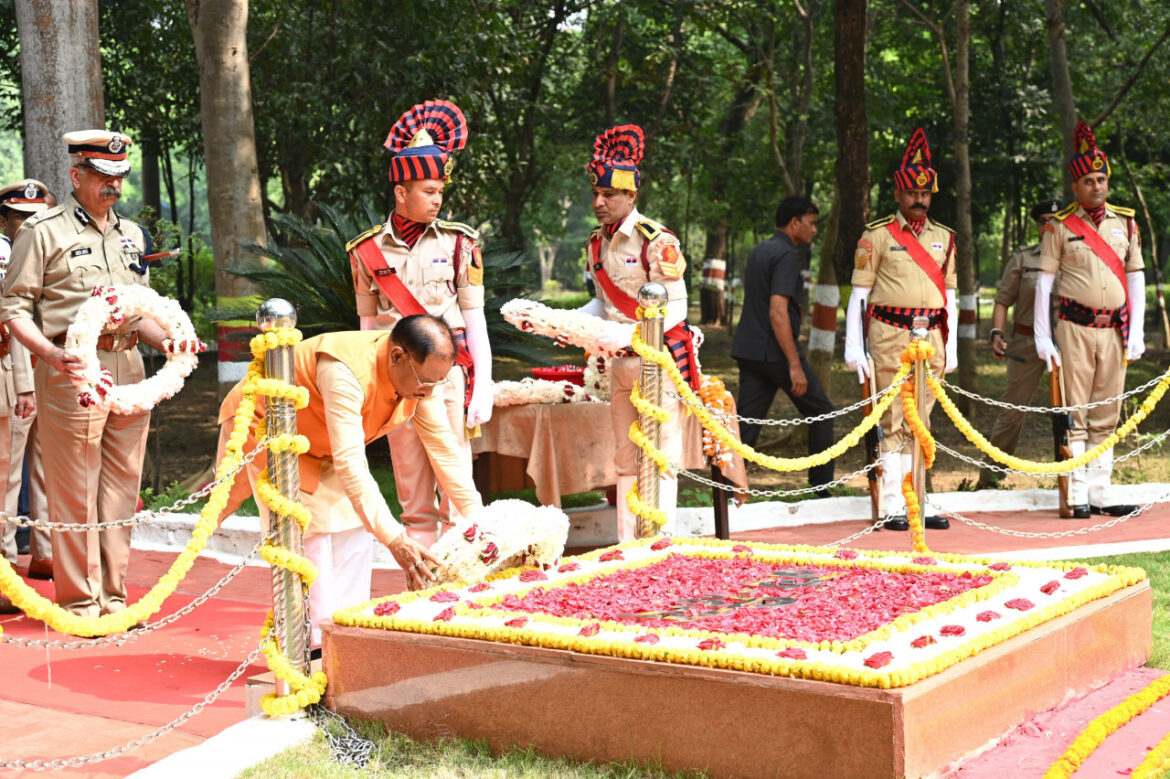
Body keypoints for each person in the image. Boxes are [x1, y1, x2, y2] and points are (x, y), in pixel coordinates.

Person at [0, 131, 203, 619]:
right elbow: (13, 308)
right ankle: (80, 602)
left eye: (119, 178)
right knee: (75, 489)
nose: (113, 187)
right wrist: (50, 355)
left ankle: (113, 598)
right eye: (102, 178)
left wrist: (169, 342)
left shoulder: (131, 235)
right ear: (77, 176)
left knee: (119, 490)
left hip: (129, 367)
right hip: (69, 370)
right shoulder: (42, 231)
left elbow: (140, 312)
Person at [215, 315, 480, 650]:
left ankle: (345, 640)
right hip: (274, 433)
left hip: (325, 444)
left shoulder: (422, 379)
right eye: (425, 382)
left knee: (355, 529)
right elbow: (351, 464)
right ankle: (309, 651)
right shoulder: (344, 369)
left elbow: (445, 449)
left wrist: (480, 522)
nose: (428, 392)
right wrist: (396, 540)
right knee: (309, 536)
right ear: (397, 356)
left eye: (437, 383)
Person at [347, 99, 492, 548]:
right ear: (400, 192)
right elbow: (366, 328)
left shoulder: (459, 243)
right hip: (395, 382)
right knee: (412, 495)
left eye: (440, 192)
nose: (437, 200)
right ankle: (422, 588)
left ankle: (464, 591)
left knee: (458, 488)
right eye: (429, 191)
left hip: (446, 377)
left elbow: (475, 318)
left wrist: (483, 381)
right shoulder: (364, 252)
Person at [576, 123, 698, 540]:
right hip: (618, 363)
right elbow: (602, 303)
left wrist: (630, 338)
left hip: (655, 361)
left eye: (609, 194)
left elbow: (677, 307)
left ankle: (661, 540)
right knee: (625, 457)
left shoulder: (656, 240)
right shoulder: (596, 243)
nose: (599, 202)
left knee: (660, 454)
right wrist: (572, 324)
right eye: (596, 194)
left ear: (631, 196)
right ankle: (631, 544)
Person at [845, 128, 957, 531]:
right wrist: (853, 349)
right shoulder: (876, 236)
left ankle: (919, 500)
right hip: (889, 333)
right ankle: (893, 503)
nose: (919, 200)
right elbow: (859, 296)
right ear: (898, 193)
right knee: (892, 416)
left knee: (921, 420)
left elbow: (951, 297)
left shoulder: (945, 238)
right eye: (912, 193)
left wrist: (954, 345)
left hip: (932, 339)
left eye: (925, 194)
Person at [1034, 121, 1144, 518]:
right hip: (1075, 327)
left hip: (1114, 329)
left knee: (1107, 409)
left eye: (1102, 179)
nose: (1097, 186)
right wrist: (1043, 338)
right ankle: (1077, 493)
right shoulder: (1060, 226)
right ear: (1076, 187)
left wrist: (1139, 331)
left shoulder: (1126, 223)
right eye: (1089, 181)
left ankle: (1102, 491)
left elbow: (1136, 278)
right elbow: (1044, 285)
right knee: (1076, 409)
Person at [731, 195, 835, 494]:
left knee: (747, 425)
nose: (814, 230)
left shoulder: (759, 250)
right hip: (775, 352)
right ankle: (821, 489)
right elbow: (778, 311)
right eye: (811, 223)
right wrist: (794, 365)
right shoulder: (788, 255)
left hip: (749, 350)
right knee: (823, 413)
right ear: (794, 223)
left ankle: (727, 489)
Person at [976, 199, 1064, 490]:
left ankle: (1071, 479)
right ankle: (989, 479)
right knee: (1012, 412)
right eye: (1044, 220)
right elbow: (1003, 300)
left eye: (1055, 219)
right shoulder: (1023, 258)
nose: (1050, 225)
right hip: (1026, 342)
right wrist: (997, 333)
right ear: (1037, 226)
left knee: (1071, 411)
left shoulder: (1075, 255)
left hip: (1067, 342)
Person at [0, 180, 55, 589]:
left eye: (37, 215)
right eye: (20, 216)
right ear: (4, 219)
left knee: (50, 468)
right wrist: (23, 383)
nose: (29, 223)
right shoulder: (3, 256)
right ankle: (4, 565)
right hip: (16, 371)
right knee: (7, 474)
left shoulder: (54, 245)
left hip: (55, 369)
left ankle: (47, 553)